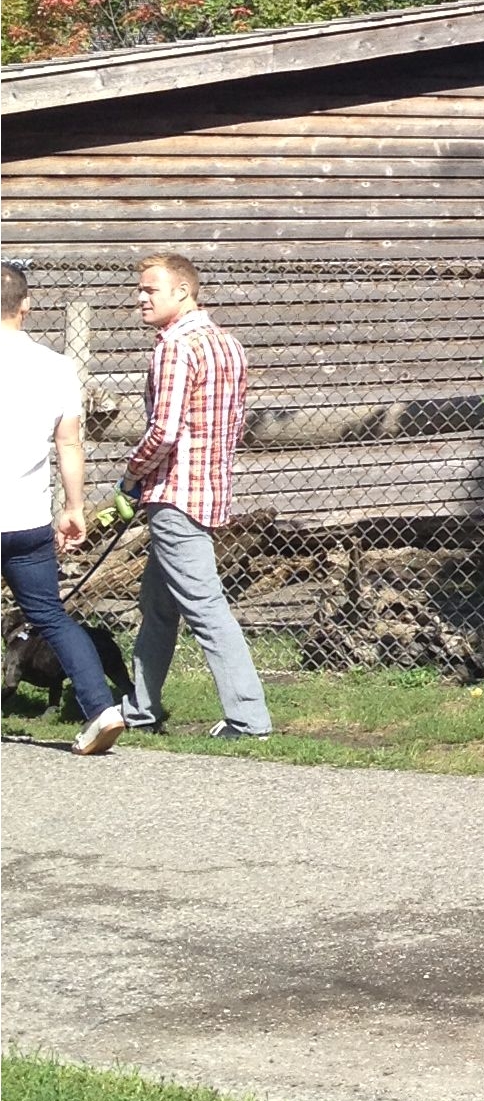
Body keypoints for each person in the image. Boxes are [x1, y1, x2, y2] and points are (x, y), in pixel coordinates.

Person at [121, 253, 270, 741]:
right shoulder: (228, 345)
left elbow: (163, 431)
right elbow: (236, 424)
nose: (140, 298)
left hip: (176, 495)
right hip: (208, 492)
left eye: (150, 290)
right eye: (140, 289)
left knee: (206, 608)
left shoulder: (175, 346)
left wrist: (130, 476)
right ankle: (141, 709)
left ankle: (249, 720)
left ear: (183, 291)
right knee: (159, 606)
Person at [0, 264, 123, 754]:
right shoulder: (55, 367)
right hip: (26, 518)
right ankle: (101, 709)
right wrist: (74, 508)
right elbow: (70, 444)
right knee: (51, 616)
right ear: (26, 307)